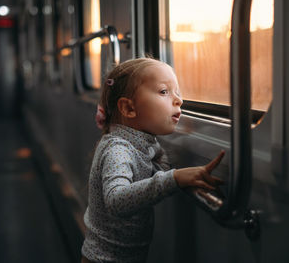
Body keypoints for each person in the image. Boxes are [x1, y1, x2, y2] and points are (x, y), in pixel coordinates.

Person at [81, 58, 225, 263]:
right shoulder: (118, 149)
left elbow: (161, 169)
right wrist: (174, 179)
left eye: (177, 92)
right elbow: (116, 201)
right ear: (128, 108)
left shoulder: (145, 143)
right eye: (164, 92)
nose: (179, 100)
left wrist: (180, 178)